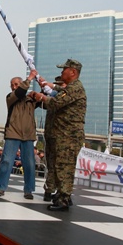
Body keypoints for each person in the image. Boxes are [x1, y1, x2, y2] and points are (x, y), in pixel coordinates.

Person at [31, 59, 87, 211]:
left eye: (64, 70)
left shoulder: (75, 88)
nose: (62, 73)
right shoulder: (71, 87)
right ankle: (61, 195)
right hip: (63, 135)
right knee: (59, 165)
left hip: (68, 137)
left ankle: (64, 198)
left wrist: (40, 97)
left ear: (73, 72)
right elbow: (60, 91)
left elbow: (55, 102)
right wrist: (50, 85)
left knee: (65, 167)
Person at [0, 70, 38, 199]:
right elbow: (19, 93)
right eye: (12, 85)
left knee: (29, 163)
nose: (14, 87)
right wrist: (29, 78)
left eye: (16, 84)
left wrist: (42, 87)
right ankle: (1, 188)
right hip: (13, 133)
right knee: (7, 161)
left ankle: (29, 189)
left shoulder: (31, 99)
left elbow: (44, 101)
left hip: (28, 135)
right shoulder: (10, 97)